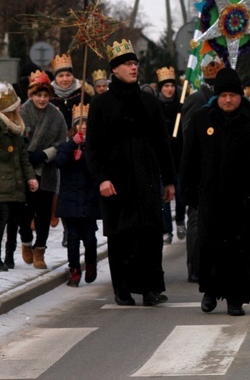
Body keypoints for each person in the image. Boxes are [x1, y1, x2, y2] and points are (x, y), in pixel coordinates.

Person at [181, 67, 250, 316]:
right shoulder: (203, 119)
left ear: (241, 95)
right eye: (223, 95)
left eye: (233, 95)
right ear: (217, 94)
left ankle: (236, 297)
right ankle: (210, 291)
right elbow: (190, 158)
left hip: (244, 197)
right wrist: (189, 191)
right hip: (210, 195)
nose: (228, 100)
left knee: (240, 249)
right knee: (210, 245)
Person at [86, 39, 175, 306]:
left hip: (146, 178)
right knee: (121, 236)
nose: (133, 67)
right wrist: (101, 178)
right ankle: (122, 288)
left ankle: (150, 288)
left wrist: (169, 180)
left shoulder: (149, 101)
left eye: (135, 63)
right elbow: (94, 146)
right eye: (127, 64)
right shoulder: (101, 104)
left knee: (149, 234)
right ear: (115, 69)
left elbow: (162, 143)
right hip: (115, 180)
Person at [180, 57, 225, 283]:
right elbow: (189, 137)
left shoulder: (225, 101)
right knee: (197, 221)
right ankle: (196, 267)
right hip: (200, 172)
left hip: (220, 173)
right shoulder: (198, 99)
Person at [20, 70, 67, 270]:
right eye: (38, 95)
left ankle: (40, 249)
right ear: (31, 95)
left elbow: (61, 142)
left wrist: (46, 154)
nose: (42, 99)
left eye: (46, 95)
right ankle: (26, 242)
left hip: (46, 171)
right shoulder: (22, 112)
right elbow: (15, 136)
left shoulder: (56, 116)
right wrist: (26, 153)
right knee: (24, 212)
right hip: (26, 169)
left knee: (44, 213)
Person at [55, 104, 101, 287]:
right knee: (72, 238)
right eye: (80, 123)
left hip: (89, 199)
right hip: (70, 200)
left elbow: (95, 169)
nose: (83, 127)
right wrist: (72, 145)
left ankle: (91, 263)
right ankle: (74, 269)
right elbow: (59, 162)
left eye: (86, 123)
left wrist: (83, 156)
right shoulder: (65, 145)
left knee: (90, 238)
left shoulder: (95, 147)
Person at [0, 81, 38, 271]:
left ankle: (9, 256)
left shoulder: (16, 132)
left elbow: (23, 159)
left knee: (14, 222)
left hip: (17, 185)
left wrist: (31, 178)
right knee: (3, 218)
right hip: (0, 184)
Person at [156, 66, 184, 244]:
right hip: (162, 157)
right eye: (166, 86)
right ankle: (167, 229)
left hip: (179, 155)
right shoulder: (156, 105)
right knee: (163, 195)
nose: (169, 89)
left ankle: (180, 219)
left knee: (180, 193)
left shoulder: (181, 105)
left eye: (172, 86)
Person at [50, 53, 93, 129]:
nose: (65, 79)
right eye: (61, 76)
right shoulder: (49, 97)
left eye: (68, 75)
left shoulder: (84, 95)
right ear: (55, 78)